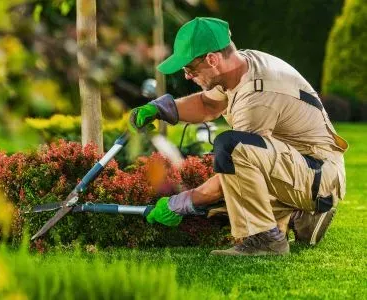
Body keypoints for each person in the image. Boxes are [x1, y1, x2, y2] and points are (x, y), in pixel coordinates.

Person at [129, 17, 348, 256]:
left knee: (230, 149)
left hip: (318, 174)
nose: (187, 77)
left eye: (189, 68)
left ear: (212, 59)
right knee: (224, 206)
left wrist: (180, 203)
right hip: (305, 165)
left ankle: (267, 240)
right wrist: (162, 109)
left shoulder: (257, 96)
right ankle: (302, 215)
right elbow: (208, 105)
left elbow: (236, 165)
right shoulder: (240, 66)